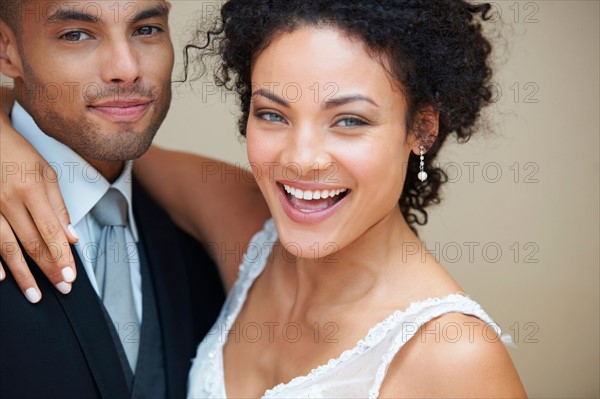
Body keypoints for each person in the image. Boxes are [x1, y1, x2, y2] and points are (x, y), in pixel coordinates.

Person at [1, 0, 528, 397]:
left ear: (422, 130)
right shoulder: (246, 220)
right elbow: (94, 139)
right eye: (273, 114)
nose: (301, 160)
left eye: (349, 121)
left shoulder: (454, 357)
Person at [0, 1, 268, 398]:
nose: (126, 68)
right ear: (7, 50)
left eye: (146, 29)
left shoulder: (206, 238)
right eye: (76, 34)